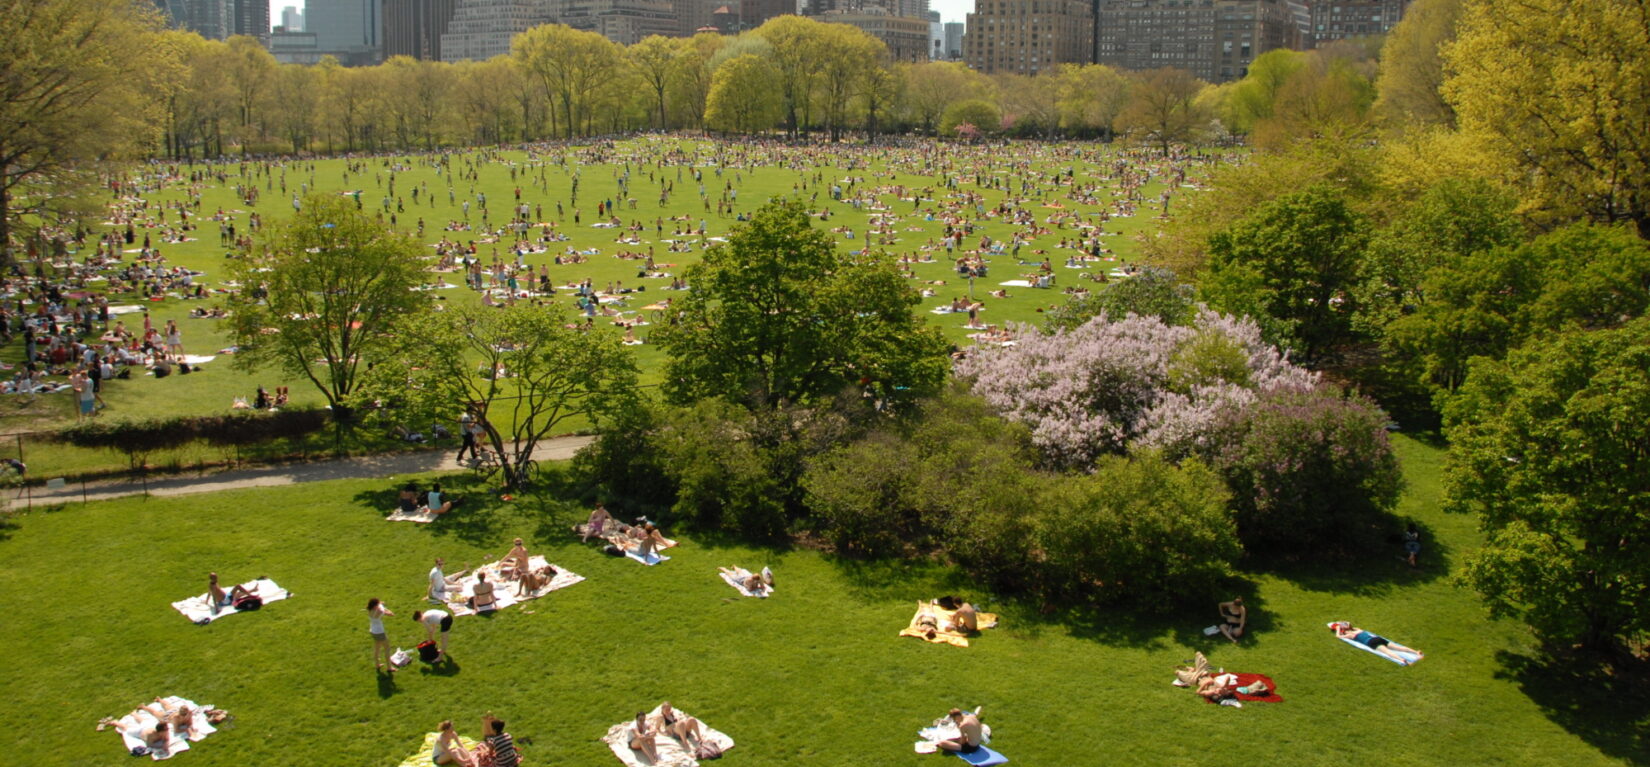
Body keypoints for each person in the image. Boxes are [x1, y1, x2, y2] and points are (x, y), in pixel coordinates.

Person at [1332, 622, 1425, 665]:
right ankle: (1416, 652)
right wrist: (1344, 625)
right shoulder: (1358, 630)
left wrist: (1338, 629)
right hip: (1377, 638)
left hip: (1372, 642)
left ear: (1343, 630)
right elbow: (1349, 625)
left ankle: (1406, 661)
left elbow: (1338, 636)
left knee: (1388, 653)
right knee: (1398, 648)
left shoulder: (1350, 635)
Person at [368, 598, 396, 672]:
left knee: (377, 648)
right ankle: (389, 667)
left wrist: (380, 604)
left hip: (372, 631)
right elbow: (389, 613)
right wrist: (389, 611)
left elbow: (380, 605)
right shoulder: (380, 611)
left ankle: (377, 664)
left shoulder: (369, 609)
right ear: (375, 606)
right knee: (387, 649)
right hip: (379, 632)